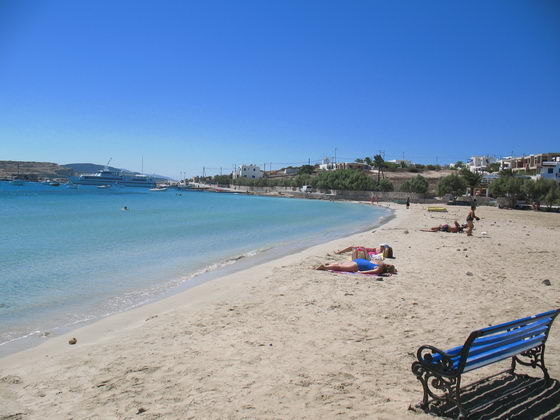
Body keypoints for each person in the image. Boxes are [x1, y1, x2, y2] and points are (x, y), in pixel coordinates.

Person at [316, 259, 397, 275]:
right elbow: (371, 272)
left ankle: (329, 265)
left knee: (342, 264)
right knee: (340, 268)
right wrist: (360, 272)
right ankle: (325, 267)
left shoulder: (380, 263)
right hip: (358, 266)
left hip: (359, 260)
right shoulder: (379, 269)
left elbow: (371, 260)